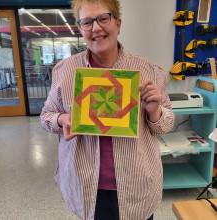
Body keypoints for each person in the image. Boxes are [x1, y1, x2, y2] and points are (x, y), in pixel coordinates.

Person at [40, 0, 175, 219]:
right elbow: (46, 116)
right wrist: (62, 119)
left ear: (118, 24)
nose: (96, 28)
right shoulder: (65, 71)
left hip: (137, 186)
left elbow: (166, 124)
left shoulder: (148, 70)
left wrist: (154, 111)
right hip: (87, 187)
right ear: (80, 28)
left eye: (103, 18)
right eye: (87, 22)